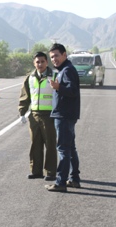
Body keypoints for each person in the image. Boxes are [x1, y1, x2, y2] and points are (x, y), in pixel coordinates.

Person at [45, 43, 81, 192]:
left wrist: (58, 87)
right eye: (52, 57)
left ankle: (60, 182)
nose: (54, 59)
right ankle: (74, 179)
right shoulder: (64, 70)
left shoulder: (67, 71)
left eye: (57, 56)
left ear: (64, 55)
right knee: (70, 149)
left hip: (64, 115)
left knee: (63, 150)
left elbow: (72, 90)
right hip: (66, 115)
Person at [18, 51, 57, 181]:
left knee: (50, 144)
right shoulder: (30, 78)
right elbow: (25, 97)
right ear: (34, 63)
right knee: (35, 144)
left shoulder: (55, 75)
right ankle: (36, 171)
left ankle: (51, 172)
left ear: (47, 62)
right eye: (37, 62)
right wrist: (22, 113)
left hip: (49, 116)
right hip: (34, 116)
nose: (40, 64)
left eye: (42, 61)